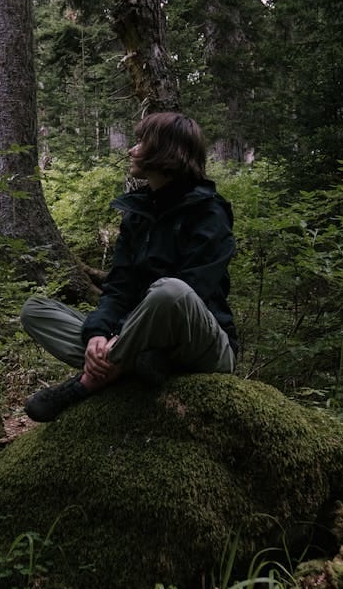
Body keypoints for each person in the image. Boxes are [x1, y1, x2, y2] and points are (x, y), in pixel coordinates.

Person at [21, 112, 238, 422]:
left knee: (170, 291)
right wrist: (98, 333)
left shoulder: (210, 213)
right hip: (136, 340)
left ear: (166, 152)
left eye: (141, 142)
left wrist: (119, 335)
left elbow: (196, 292)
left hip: (200, 345)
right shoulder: (138, 213)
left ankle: (91, 379)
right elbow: (119, 286)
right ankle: (134, 363)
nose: (131, 150)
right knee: (35, 311)